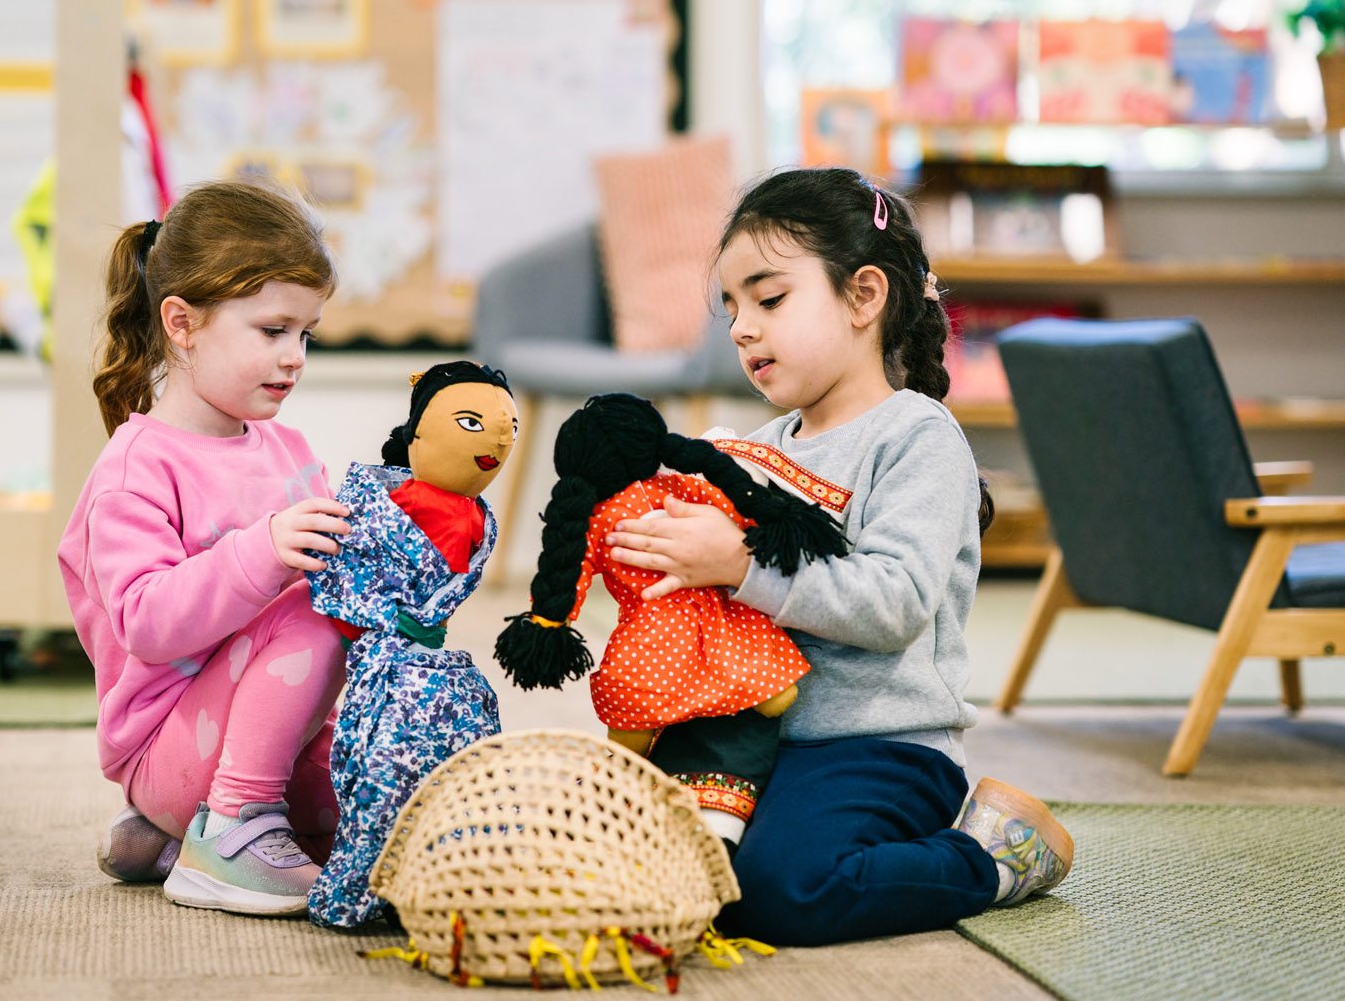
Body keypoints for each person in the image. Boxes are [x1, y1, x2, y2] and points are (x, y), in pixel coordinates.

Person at [603, 168, 1073, 946]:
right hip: (755, 742)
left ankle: (990, 856)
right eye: (732, 308)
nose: (743, 328)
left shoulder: (917, 438)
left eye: (770, 298)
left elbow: (892, 604)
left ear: (864, 297)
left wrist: (742, 564)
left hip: (882, 747)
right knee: (660, 874)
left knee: (785, 892)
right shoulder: (749, 451)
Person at [57, 181, 353, 917]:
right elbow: (149, 624)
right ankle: (224, 833)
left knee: (386, 805)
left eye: (306, 334)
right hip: (167, 746)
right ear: (183, 324)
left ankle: (173, 833)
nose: (296, 357)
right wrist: (267, 554)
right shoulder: (136, 469)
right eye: (273, 330)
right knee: (307, 611)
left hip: (272, 737)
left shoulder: (289, 447)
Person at [493, 392, 847, 847]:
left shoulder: (594, 519)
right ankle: (745, 720)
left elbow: (568, 571)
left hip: (649, 635)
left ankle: (623, 770)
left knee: (631, 718)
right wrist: (761, 527)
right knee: (773, 690)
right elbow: (735, 510)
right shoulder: (684, 489)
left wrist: (547, 624)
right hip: (720, 615)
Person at [305, 360, 517, 928]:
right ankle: (372, 882)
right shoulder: (393, 509)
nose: (501, 437)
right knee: (393, 761)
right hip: (395, 665)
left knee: (457, 766)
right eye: (472, 422)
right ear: (419, 432)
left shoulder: (474, 514)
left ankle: (443, 874)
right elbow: (358, 578)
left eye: (511, 428)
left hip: (427, 660)